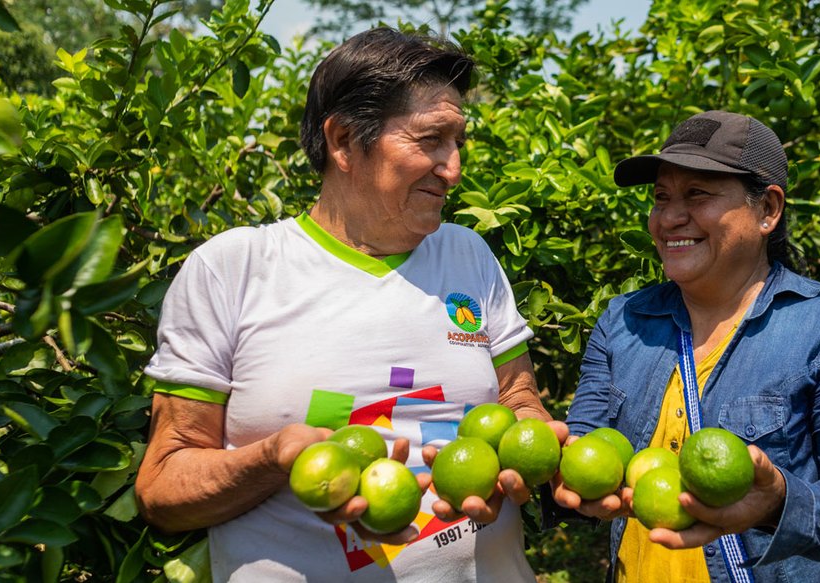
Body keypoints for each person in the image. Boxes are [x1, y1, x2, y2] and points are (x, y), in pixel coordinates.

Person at [135, 27, 559, 581]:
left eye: (458, 144)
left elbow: (518, 398)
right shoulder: (233, 269)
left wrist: (532, 442)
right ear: (343, 142)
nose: (453, 169)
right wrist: (273, 459)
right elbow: (163, 485)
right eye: (430, 140)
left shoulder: (468, 256)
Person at [555, 110, 820, 582]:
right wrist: (552, 480)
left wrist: (779, 503)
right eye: (661, 198)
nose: (670, 217)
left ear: (768, 209)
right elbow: (585, 453)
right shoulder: (623, 321)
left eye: (697, 194)